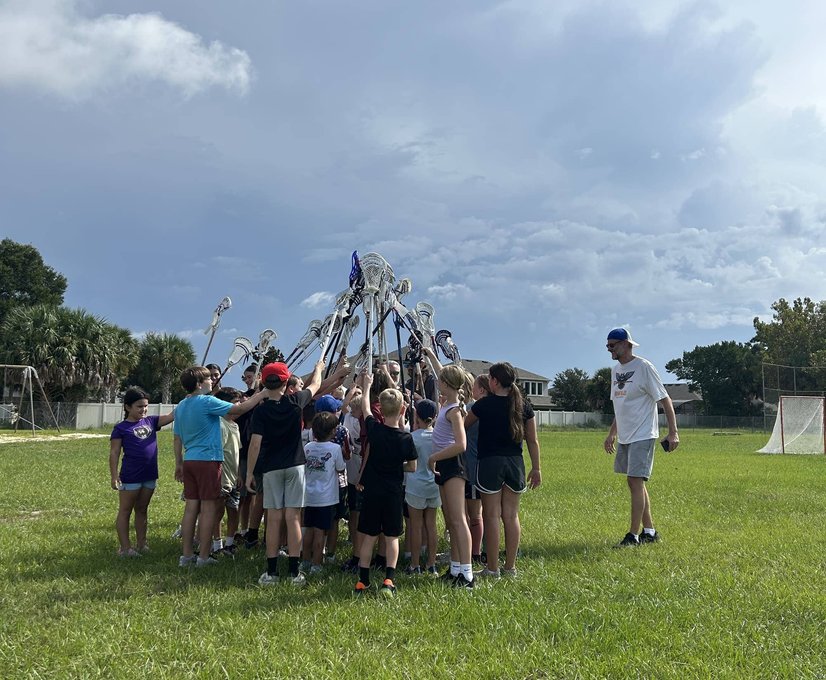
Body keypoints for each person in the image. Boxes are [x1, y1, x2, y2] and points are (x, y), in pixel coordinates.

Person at [173, 366, 265, 568]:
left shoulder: (181, 405)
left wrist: (178, 463)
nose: (212, 382)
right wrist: (261, 394)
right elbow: (239, 409)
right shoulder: (207, 401)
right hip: (208, 461)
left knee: (191, 509)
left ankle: (186, 556)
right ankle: (204, 556)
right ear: (199, 384)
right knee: (209, 510)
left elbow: (177, 437)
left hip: (190, 460)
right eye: (208, 379)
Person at [247, 360, 325, 587]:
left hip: (271, 468)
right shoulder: (295, 401)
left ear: (264, 383)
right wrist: (318, 369)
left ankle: (271, 572)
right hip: (295, 466)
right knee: (293, 518)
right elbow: (315, 385)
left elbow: (255, 444)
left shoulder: (260, 411)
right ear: (285, 382)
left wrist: (250, 472)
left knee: (273, 518)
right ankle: (294, 572)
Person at [603, 328, 679, 547]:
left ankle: (633, 536)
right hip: (626, 435)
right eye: (607, 346)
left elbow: (665, 399)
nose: (609, 349)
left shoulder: (644, 367)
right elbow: (620, 406)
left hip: (643, 433)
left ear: (626, 344)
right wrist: (612, 433)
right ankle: (650, 531)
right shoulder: (615, 371)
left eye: (612, 345)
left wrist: (673, 432)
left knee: (635, 481)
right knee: (634, 482)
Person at [465, 362, 541, 578]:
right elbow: (533, 441)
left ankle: (492, 569)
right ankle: (510, 568)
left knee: (491, 516)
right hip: (515, 463)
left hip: (490, 463)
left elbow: (463, 425)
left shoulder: (483, 405)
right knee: (511, 516)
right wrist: (536, 468)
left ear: (495, 381)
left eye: (490, 378)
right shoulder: (523, 405)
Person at [354, 370, 417, 597]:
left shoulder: (374, 430)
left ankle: (363, 581)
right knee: (392, 537)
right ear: (402, 410)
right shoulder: (406, 438)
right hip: (393, 492)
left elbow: (365, 408)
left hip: (373, 491)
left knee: (369, 536)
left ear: (381, 408)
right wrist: (396, 466)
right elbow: (412, 467)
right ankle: (389, 579)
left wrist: (367, 386)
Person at [109, 387, 174, 557]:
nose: (144, 409)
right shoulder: (120, 428)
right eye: (139, 406)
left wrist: (190, 400)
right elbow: (114, 453)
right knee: (125, 511)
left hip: (149, 474)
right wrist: (114, 476)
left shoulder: (151, 421)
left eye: (146, 406)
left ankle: (142, 544)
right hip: (131, 476)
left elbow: (172, 416)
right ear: (127, 407)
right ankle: (125, 549)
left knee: (142, 509)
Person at [427, 365, 474, 588]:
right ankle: (455, 569)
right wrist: (429, 353)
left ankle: (467, 574)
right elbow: (444, 371)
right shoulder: (447, 403)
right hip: (444, 465)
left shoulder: (455, 410)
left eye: (440, 380)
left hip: (453, 465)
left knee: (458, 520)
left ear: (446, 384)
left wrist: (434, 457)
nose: (437, 382)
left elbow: (461, 444)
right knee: (450, 521)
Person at [301, 411, 346, 574]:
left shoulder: (308, 447)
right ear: (333, 431)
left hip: (309, 496)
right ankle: (317, 563)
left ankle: (305, 561)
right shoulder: (335, 448)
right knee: (320, 531)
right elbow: (340, 468)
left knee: (308, 529)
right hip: (326, 498)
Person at [404, 399, 440, 575]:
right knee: (431, 526)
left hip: (415, 486)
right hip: (434, 485)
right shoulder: (438, 437)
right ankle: (431, 563)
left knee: (416, 526)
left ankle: (415, 564)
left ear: (417, 416)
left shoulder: (412, 437)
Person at [213, 387, 243, 556]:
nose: (239, 405)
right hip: (222, 477)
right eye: (235, 402)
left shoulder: (235, 426)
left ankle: (230, 543)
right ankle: (217, 544)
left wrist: (238, 474)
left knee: (234, 509)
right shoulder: (219, 424)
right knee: (218, 510)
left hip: (233, 476)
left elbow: (236, 452)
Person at [465, 373, 490, 564]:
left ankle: (475, 553)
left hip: (473, 467)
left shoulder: (475, 409)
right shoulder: (487, 408)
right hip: (476, 465)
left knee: (475, 514)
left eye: (474, 386)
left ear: (481, 390)